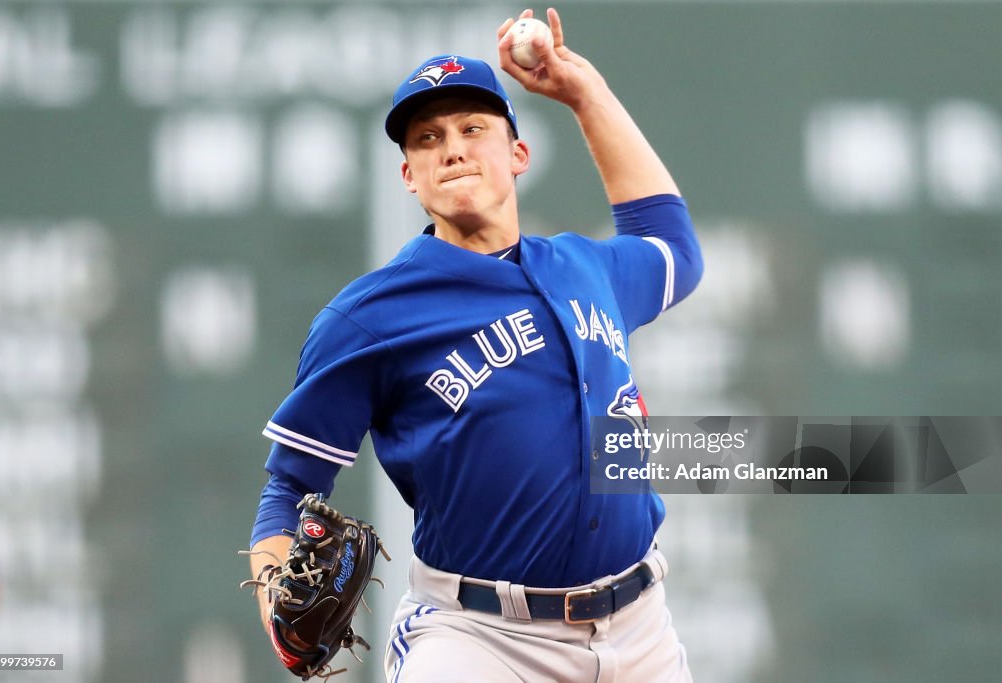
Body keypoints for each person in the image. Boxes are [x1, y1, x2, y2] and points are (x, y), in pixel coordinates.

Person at [249, 7, 702, 682]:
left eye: (472, 128)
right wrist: (275, 606)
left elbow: (675, 248)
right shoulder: (369, 316)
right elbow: (287, 488)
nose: (452, 148)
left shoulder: (589, 269)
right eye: (427, 138)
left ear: (518, 154)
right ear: (410, 175)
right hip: (479, 639)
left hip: (640, 630)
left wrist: (584, 95)